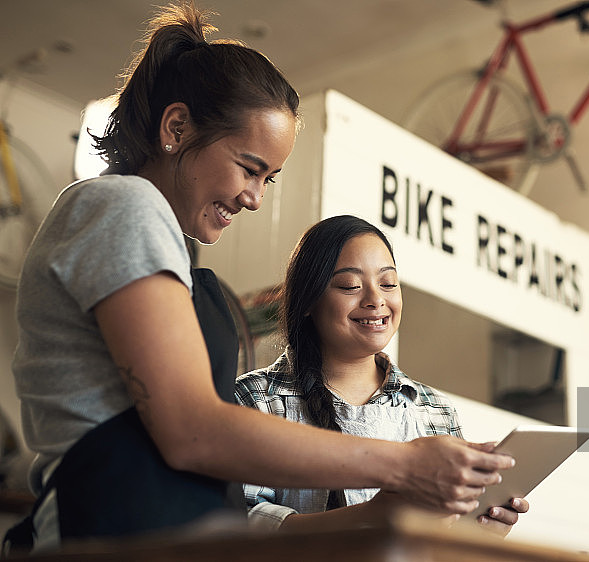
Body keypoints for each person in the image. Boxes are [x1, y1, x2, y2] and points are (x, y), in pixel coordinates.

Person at [4, 3, 513, 555]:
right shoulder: (122, 206)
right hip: (110, 535)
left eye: (269, 178)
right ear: (176, 127)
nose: (255, 198)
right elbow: (193, 429)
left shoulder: (165, 240)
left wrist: (388, 511)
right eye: (249, 168)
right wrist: (405, 464)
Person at [235, 215, 529, 536]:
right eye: (350, 286)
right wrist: (371, 516)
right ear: (308, 299)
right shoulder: (253, 399)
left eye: (388, 283)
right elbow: (234, 529)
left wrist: (481, 533)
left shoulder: (434, 409)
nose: (376, 300)